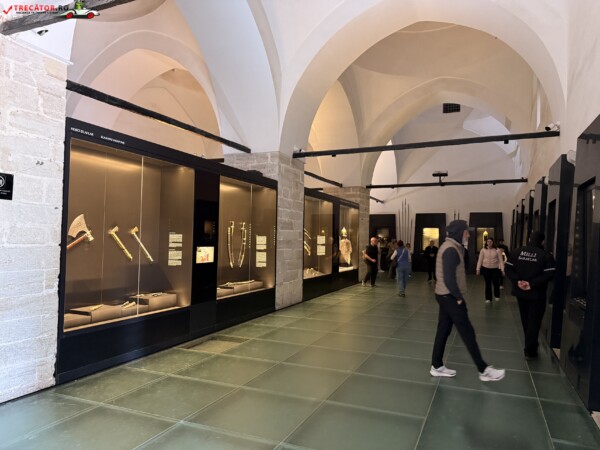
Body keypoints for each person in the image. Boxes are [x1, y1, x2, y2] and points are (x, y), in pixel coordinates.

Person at [430, 220, 506, 382]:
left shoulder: (454, 247)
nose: (469, 235)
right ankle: (483, 370)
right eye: (466, 232)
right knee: (467, 332)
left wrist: (463, 249)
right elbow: (449, 278)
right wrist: (458, 297)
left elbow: (460, 267)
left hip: (444, 295)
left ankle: (436, 365)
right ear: (459, 232)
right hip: (450, 296)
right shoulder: (450, 249)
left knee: (443, 330)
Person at [504, 231, 555, 360]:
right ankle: (530, 350)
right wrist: (531, 284)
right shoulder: (545, 256)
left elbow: (508, 269)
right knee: (534, 321)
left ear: (529, 239)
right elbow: (549, 274)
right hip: (537, 294)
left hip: (521, 293)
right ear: (542, 241)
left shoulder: (516, 252)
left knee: (525, 320)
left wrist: (518, 281)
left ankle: (531, 344)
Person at [476, 237, 505, 303]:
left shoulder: (497, 250)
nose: (489, 243)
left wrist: (502, 270)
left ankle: (497, 295)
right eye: (488, 241)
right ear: (486, 242)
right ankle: (488, 298)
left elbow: (501, 261)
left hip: (495, 269)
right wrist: (478, 269)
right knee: (488, 283)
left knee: (495, 282)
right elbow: (480, 260)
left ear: (493, 242)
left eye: (490, 241)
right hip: (486, 269)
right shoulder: (483, 250)